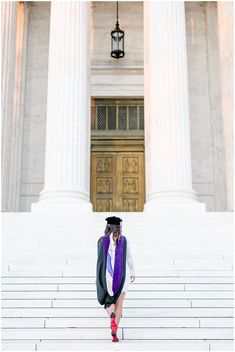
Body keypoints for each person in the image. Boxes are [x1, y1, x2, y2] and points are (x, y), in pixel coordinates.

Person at [96, 216, 135, 342]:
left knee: (109, 302)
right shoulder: (124, 240)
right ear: (119, 227)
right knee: (120, 304)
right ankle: (115, 332)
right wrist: (133, 271)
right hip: (123, 276)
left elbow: (100, 261)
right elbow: (129, 257)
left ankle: (111, 315)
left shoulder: (102, 241)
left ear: (107, 227)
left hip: (107, 276)